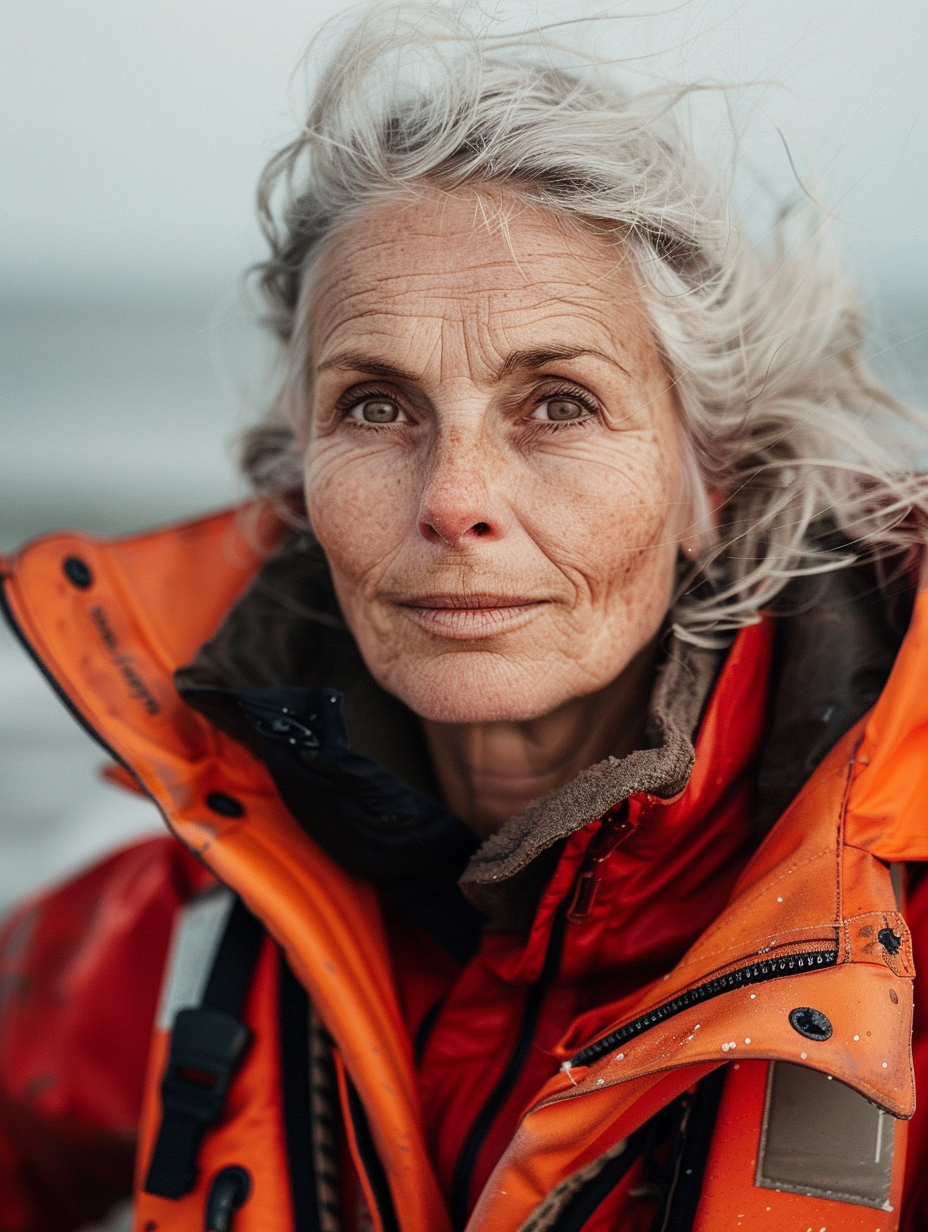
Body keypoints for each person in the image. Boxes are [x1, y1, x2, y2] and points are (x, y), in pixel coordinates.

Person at [2, 6, 928, 1231]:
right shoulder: (196, 905)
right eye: (376, 407)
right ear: (300, 469)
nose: (453, 502)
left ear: (709, 476)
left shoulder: (896, 940)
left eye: (557, 402)